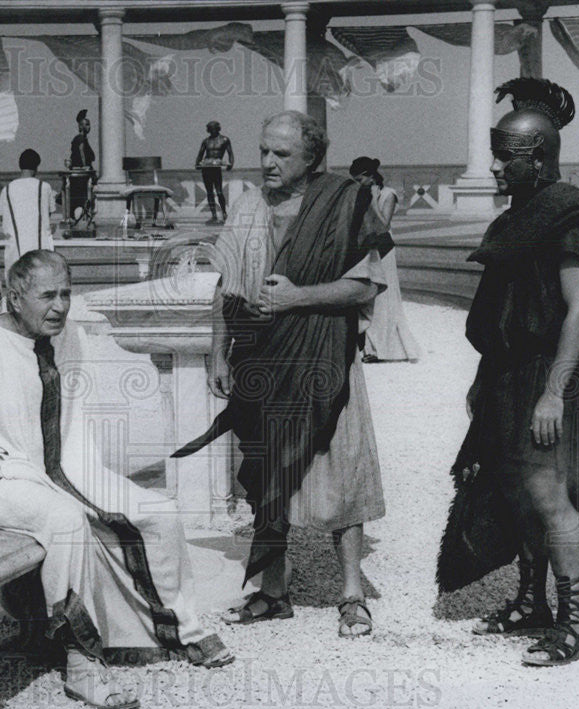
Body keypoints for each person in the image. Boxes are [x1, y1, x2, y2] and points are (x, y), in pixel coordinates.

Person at [0, 250, 234, 709]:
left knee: (159, 512)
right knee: (68, 519)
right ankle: (81, 662)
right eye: (48, 295)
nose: (61, 306)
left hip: (66, 470)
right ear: (14, 297)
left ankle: (179, 629)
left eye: (66, 293)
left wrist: (86, 476)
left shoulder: (68, 337)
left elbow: (69, 426)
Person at [437, 78, 579, 666]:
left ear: (539, 157)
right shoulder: (516, 218)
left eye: (507, 157)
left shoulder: (575, 216)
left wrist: (554, 392)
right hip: (509, 373)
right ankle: (531, 603)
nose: (497, 167)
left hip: (555, 374)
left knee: (548, 494)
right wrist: (485, 386)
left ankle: (573, 625)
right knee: (514, 491)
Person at [177, 111, 387, 638]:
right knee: (268, 470)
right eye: (264, 151)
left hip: (323, 357)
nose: (268, 162)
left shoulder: (342, 201)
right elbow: (226, 289)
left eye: (281, 154)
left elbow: (365, 287)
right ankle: (273, 590)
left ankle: (352, 594)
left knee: (341, 469)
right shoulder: (247, 204)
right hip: (260, 360)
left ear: (312, 158)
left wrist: (299, 297)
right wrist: (221, 354)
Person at [349, 156, 422, 363]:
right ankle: (368, 347)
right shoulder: (361, 192)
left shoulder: (388, 194)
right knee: (367, 297)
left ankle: (384, 350)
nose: (357, 184)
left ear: (369, 177)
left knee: (383, 299)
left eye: (358, 180)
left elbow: (382, 225)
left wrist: (371, 200)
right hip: (368, 248)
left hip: (383, 249)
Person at [0, 148, 57, 279]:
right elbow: (49, 213)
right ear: (37, 167)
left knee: (17, 286)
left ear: (20, 165)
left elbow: (1, 217)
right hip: (39, 250)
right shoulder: (44, 187)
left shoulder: (7, 189)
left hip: (15, 251)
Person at [195, 121, 234, 225]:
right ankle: (214, 215)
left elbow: (230, 153)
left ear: (218, 128)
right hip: (207, 167)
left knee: (219, 191)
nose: (212, 130)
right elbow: (200, 154)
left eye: (214, 128)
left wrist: (231, 163)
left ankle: (224, 213)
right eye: (210, 128)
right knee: (209, 193)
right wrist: (197, 164)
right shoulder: (206, 141)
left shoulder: (224, 140)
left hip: (216, 168)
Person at [67, 109, 96, 221]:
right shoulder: (80, 139)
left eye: (89, 124)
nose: (89, 127)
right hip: (81, 175)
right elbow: (82, 153)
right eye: (86, 124)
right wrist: (85, 167)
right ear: (80, 126)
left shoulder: (82, 139)